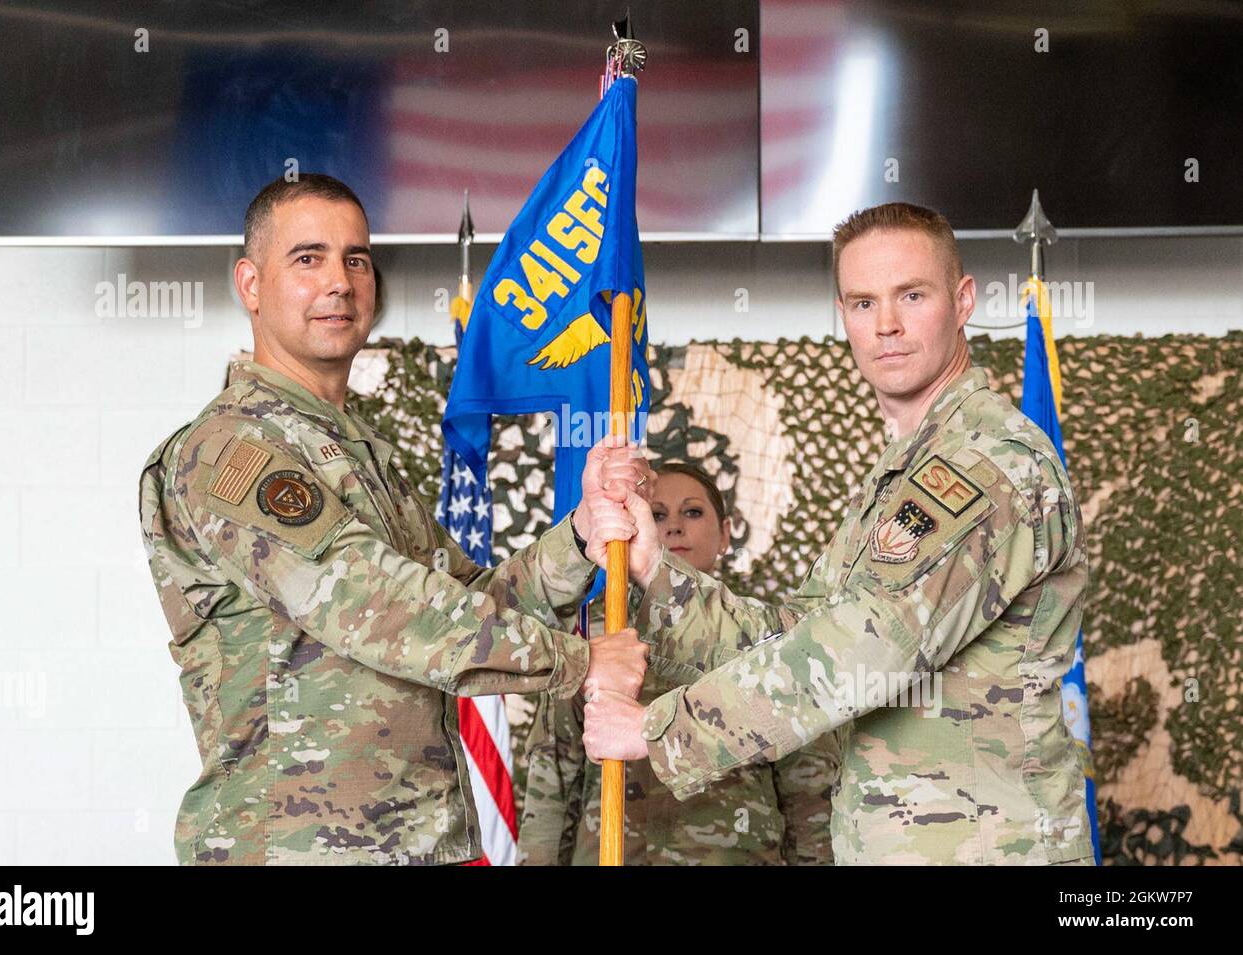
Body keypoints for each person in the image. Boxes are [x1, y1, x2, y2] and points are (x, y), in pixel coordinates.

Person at [138, 173, 648, 865]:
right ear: (251, 284)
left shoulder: (360, 452)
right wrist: (580, 664)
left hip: (423, 842)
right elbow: (372, 602)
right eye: (308, 258)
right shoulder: (234, 447)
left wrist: (583, 534)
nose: (340, 282)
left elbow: (471, 601)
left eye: (356, 258)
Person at [582, 202, 1094, 865]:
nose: (886, 325)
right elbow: (800, 630)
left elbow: (866, 647)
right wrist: (657, 569)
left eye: (912, 295)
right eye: (862, 303)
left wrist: (661, 730)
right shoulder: (905, 471)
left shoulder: (985, 461)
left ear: (962, 300)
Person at [517, 462, 837, 865]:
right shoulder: (593, 637)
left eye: (692, 511)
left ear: (725, 534)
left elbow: (808, 787)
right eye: (656, 515)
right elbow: (554, 777)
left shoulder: (764, 639)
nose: (674, 527)